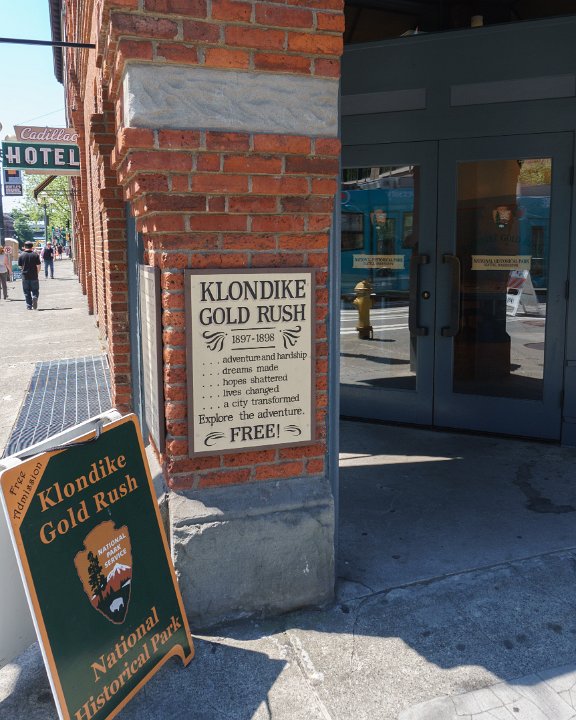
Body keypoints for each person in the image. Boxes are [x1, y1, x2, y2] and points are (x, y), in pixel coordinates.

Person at [18, 241, 41, 310]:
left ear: (25, 247)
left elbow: (20, 266)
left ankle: (29, 305)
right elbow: (39, 266)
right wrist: (37, 272)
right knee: (35, 290)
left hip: (25, 276)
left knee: (26, 291)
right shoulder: (35, 255)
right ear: (32, 247)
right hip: (34, 275)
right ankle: (35, 297)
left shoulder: (21, 255)